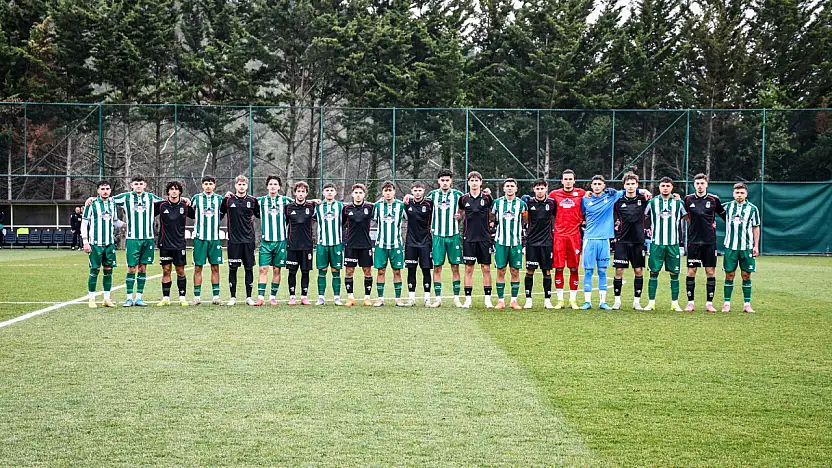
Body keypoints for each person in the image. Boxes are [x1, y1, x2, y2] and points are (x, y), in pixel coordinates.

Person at [581, 175, 650, 310]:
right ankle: (587, 301)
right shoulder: (585, 200)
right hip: (589, 239)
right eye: (594, 184)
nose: (596, 186)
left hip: (606, 240)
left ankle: (603, 302)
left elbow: (629, 191)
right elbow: (577, 213)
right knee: (589, 271)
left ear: (604, 186)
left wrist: (644, 191)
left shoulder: (612, 197)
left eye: (599, 184)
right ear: (591, 186)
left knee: (602, 270)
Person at [110, 175, 164, 307]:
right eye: (136, 184)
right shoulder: (125, 197)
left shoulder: (151, 197)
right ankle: (129, 298)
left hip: (148, 238)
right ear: (131, 185)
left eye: (141, 183)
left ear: (145, 185)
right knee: (131, 268)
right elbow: (108, 199)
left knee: (143, 267)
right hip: (132, 238)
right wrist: (92, 199)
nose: (138, 186)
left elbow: (168, 201)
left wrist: (184, 199)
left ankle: (139, 297)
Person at [683, 173, 726, 312]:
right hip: (693, 241)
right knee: (691, 271)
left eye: (702, 183)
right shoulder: (688, 199)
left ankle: (709, 303)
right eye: (697, 183)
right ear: (694, 185)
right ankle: (690, 303)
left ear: (706, 184)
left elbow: (725, 216)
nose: (700, 186)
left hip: (709, 241)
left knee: (710, 272)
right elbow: (684, 215)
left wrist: (711, 224)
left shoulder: (714, 200)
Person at [644, 177, 687, 311]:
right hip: (656, 243)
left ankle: (675, 303)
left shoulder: (678, 203)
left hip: (673, 244)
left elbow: (687, 217)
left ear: (672, 187)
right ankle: (651, 302)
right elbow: (644, 217)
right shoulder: (652, 202)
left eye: (668, 186)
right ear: (659, 187)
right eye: (663, 185)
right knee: (653, 272)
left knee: (674, 274)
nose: (665, 188)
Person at [424, 169, 464, 308]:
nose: (445, 183)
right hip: (437, 236)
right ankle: (438, 298)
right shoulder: (432, 195)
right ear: (438, 181)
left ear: (451, 181)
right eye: (442, 180)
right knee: (437, 267)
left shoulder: (458, 195)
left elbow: (465, 208)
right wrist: (408, 197)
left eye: (447, 180)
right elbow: (419, 203)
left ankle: (456, 298)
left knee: (455, 267)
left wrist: (460, 215)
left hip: (453, 236)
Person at [82, 180, 123, 308]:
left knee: (108, 271)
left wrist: (125, 225)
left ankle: (106, 299)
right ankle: (92, 299)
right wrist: (85, 241)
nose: (105, 191)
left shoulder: (112, 204)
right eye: (102, 189)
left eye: (107, 189)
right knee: (94, 270)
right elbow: (84, 223)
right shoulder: (92, 203)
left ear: (110, 191)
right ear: (98, 191)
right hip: (95, 244)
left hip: (109, 244)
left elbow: (115, 221)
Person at [548, 169, 585, 309]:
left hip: (574, 236)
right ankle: (560, 300)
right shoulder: (554, 195)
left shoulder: (581, 193)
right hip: (559, 236)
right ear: (562, 180)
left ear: (574, 180)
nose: (568, 181)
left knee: (574, 268)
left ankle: (573, 300)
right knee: (559, 268)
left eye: (570, 179)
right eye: (566, 179)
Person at [221, 175, 260, 306]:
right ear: (235, 185)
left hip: (248, 240)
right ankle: (233, 297)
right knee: (233, 269)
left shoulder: (253, 201)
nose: (241, 186)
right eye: (239, 184)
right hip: (233, 240)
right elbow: (220, 213)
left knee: (249, 268)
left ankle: (249, 297)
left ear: (247, 186)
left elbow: (260, 215)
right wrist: (223, 198)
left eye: (244, 184)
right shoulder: (228, 200)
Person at [721, 183, 760, 313]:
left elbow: (756, 227)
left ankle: (747, 304)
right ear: (733, 194)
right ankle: (726, 303)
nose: (739, 195)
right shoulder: (727, 207)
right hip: (730, 247)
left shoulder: (753, 209)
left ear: (746, 194)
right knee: (729, 275)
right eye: (737, 193)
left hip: (747, 247)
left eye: (742, 193)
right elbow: (710, 210)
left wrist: (756, 246)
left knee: (746, 275)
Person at [612, 173, 648, 310]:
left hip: (638, 241)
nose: (630, 186)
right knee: (619, 270)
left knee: (638, 271)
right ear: (624, 185)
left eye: (633, 183)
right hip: (622, 241)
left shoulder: (644, 200)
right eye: (628, 184)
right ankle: (617, 301)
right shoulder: (618, 201)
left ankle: (636, 302)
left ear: (637, 185)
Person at [255, 175, 293, 306]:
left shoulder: (286, 201)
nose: (272, 186)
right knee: (263, 269)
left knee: (277, 269)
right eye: (270, 184)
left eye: (275, 184)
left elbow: (301, 203)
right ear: (267, 186)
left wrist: (314, 201)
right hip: (266, 242)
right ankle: (260, 297)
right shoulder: (259, 201)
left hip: (281, 241)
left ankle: (272, 297)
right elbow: (244, 200)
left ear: (279, 187)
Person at [458, 171, 494, 308]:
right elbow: (460, 213)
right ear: (468, 182)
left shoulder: (487, 198)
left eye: (476, 180)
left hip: (484, 238)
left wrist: (491, 224)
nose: (474, 182)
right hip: (469, 238)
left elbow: (493, 213)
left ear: (480, 182)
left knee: (486, 268)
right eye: (471, 180)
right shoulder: (463, 199)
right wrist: (457, 216)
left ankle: (488, 300)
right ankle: (468, 300)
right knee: (468, 269)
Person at [491, 178, 527, 309]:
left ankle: (514, 301)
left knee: (515, 271)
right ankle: (500, 301)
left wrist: (524, 243)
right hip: (500, 242)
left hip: (515, 243)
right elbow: (491, 219)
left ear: (516, 188)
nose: (510, 188)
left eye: (512, 186)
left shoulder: (522, 204)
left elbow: (525, 221)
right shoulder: (497, 203)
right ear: (504, 188)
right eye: (507, 186)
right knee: (501, 271)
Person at [188, 175, 225, 305]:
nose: (208, 186)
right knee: (198, 267)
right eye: (206, 184)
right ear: (202, 185)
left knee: (215, 267)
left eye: (210, 183)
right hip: (200, 239)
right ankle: (197, 297)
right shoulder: (196, 199)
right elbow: (189, 210)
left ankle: (216, 297)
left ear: (214, 185)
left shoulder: (220, 199)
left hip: (215, 239)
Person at [523, 178, 557, 309]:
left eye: (542, 188)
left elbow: (557, 217)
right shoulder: (529, 203)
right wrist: (525, 207)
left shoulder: (552, 203)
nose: (540, 191)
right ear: (534, 190)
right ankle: (528, 299)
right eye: (537, 188)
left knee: (546, 271)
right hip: (532, 242)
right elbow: (524, 220)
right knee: (529, 270)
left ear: (546, 189)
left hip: (547, 242)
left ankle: (547, 300)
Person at [372, 181, 407, 306]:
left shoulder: (401, 206)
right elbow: (371, 218)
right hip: (381, 245)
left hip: (396, 244)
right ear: (382, 192)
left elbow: (410, 217)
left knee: (397, 271)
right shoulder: (377, 206)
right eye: (385, 191)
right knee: (381, 271)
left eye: (390, 190)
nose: (388, 193)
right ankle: (380, 298)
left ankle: (398, 299)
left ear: (394, 192)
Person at [155, 180, 189, 307]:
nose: (174, 191)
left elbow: (199, 214)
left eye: (176, 189)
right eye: (171, 189)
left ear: (180, 191)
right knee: (166, 270)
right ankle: (166, 298)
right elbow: (144, 212)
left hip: (179, 244)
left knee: (180, 270)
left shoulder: (185, 205)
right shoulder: (161, 205)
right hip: (165, 243)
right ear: (168, 191)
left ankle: (182, 297)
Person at [342, 184, 375, 306]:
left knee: (367, 271)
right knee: (349, 271)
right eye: (356, 192)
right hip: (350, 244)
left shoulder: (370, 207)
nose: (358, 195)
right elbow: (341, 223)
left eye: (360, 193)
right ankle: (350, 297)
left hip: (365, 245)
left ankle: (367, 298)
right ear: (352, 194)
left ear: (364, 195)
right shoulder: (346, 209)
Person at [284, 181, 316, 305]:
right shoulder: (288, 208)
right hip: (292, 245)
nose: (301, 194)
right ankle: (292, 296)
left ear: (306, 193)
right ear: (295, 193)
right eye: (299, 191)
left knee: (305, 271)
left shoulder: (311, 207)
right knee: (292, 271)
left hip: (307, 245)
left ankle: (304, 296)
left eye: (303, 191)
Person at [403, 182, 434, 306]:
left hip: (426, 241)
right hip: (410, 242)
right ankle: (412, 298)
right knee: (411, 270)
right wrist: (406, 197)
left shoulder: (430, 204)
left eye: (420, 190)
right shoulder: (406, 204)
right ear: (412, 191)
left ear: (424, 191)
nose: (417, 192)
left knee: (426, 270)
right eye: (415, 190)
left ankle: (427, 298)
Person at [315, 183, 344, 305]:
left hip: (336, 243)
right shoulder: (317, 206)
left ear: (335, 192)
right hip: (322, 243)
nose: (329, 192)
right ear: (323, 193)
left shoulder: (341, 206)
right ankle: (321, 297)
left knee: (335, 270)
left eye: (332, 190)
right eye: (327, 190)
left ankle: (337, 297)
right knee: (322, 270)